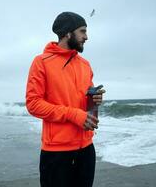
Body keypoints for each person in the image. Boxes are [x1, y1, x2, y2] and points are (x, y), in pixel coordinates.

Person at [25, 11, 105, 187]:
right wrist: (74, 115)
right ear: (68, 33)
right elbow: (33, 104)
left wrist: (94, 99)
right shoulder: (41, 62)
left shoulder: (85, 64)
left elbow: (84, 99)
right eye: (82, 31)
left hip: (86, 148)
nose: (86, 37)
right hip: (57, 152)